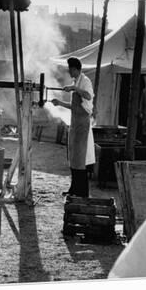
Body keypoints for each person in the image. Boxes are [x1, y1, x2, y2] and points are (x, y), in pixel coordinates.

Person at [51, 57, 95, 197]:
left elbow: (88, 96)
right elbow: (74, 106)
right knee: (73, 158)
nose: (69, 72)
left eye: (70, 69)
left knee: (80, 160)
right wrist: (60, 103)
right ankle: (74, 189)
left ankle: (82, 192)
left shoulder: (85, 81)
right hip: (75, 123)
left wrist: (75, 88)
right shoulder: (76, 82)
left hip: (82, 124)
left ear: (75, 69)